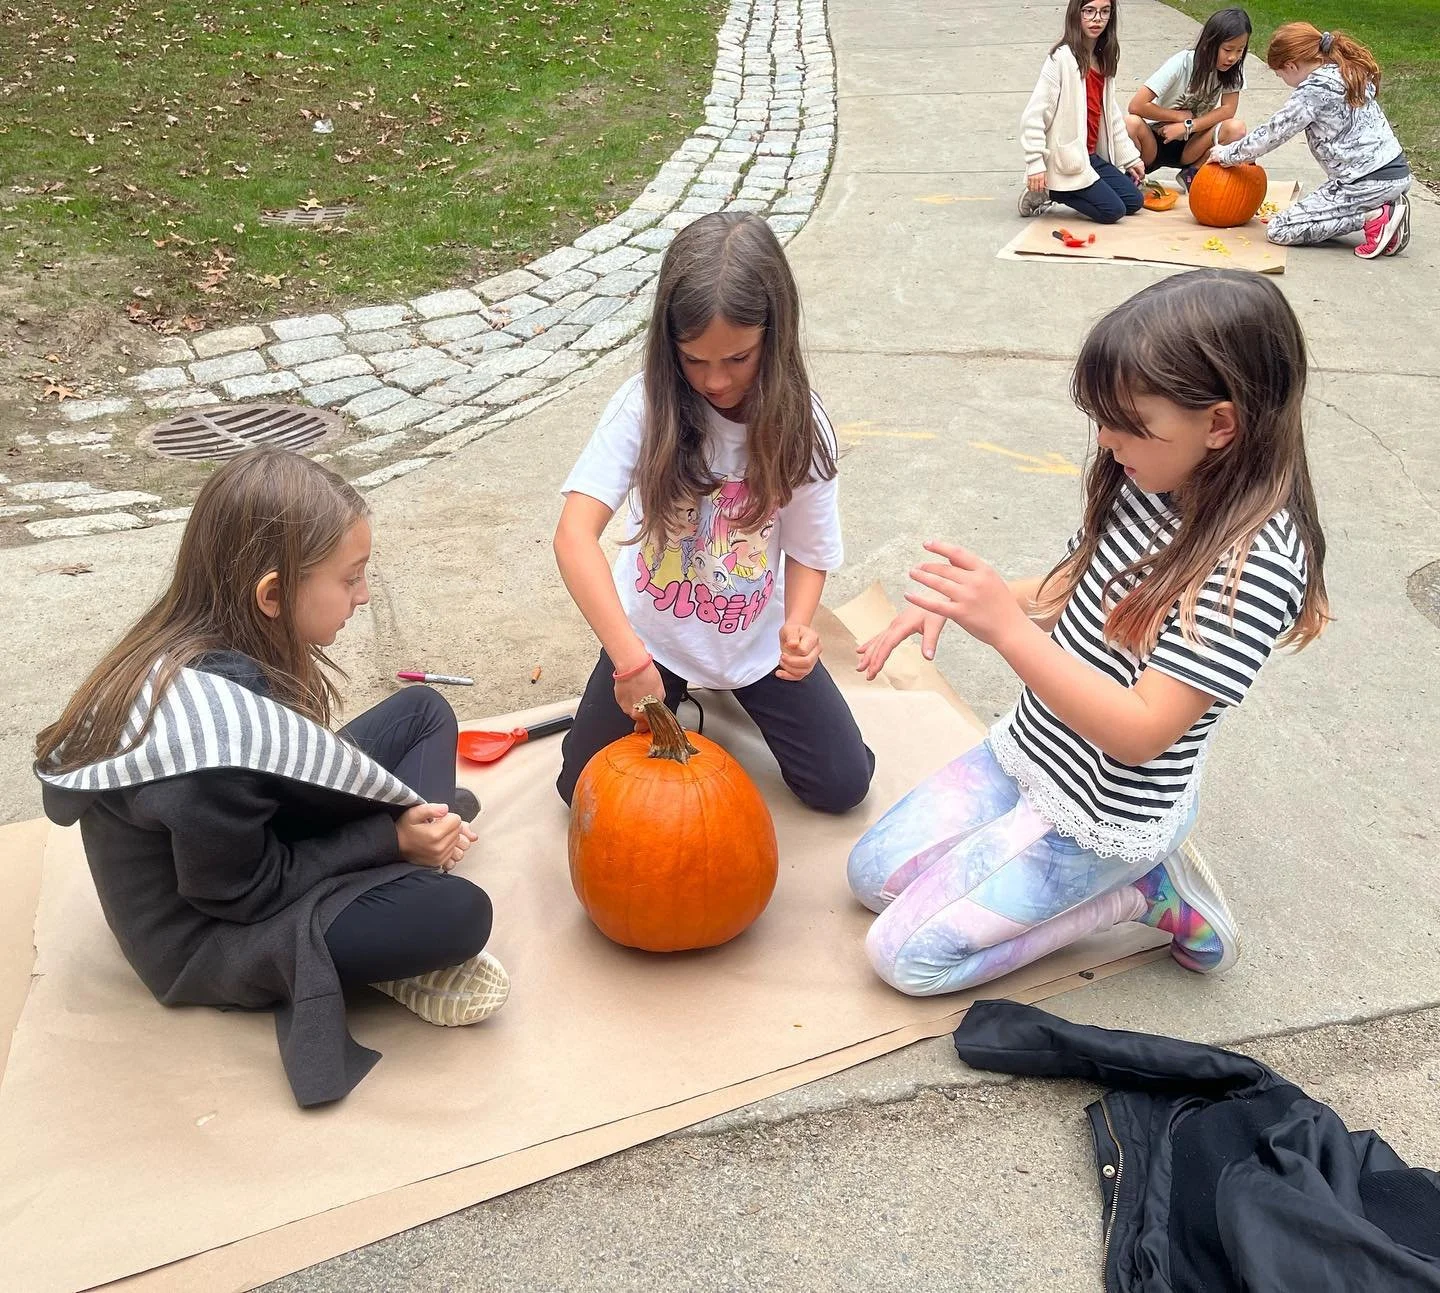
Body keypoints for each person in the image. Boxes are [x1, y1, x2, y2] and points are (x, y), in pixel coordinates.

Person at [848, 270, 1328, 996]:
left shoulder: (1253, 565)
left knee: (904, 957)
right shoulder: (1148, 476)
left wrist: (1008, 633)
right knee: (870, 876)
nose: (1105, 441)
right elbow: (1071, 587)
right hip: (1033, 755)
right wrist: (965, 601)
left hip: (1101, 810)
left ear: (1220, 425)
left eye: (1130, 424)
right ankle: (1013, 863)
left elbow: (1139, 732)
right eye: (1101, 418)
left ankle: (1145, 893)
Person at [34, 448, 506, 1108]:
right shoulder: (210, 739)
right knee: (461, 915)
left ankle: (408, 857)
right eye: (350, 578)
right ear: (273, 593)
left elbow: (275, 781)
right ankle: (397, 902)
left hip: (246, 838)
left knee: (425, 710)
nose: (363, 596)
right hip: (207, 933)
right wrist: (387, 842)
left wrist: (387, 830)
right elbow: (242, 893)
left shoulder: (205, 642)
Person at [553, 211, 874, 812]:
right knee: (582, 791)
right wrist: (629, 659)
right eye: (694, 360)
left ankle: (727, 699)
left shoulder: (803, 428)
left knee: (842, 787)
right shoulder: (643, 406)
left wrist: (800, 626)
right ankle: (683, 695)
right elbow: (574, 536)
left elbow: (808, 548)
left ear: (774, 339)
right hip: (654, 640)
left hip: (753, 642)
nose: (715, 380)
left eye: (737, 359)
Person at [1211, 23, 1412, 258]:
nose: (1283, 80)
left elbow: (1274, 133)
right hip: (1391, 171)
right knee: (1312, 210)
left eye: (1280, 74)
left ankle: (1375, 217)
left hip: (1362, 182)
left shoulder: (1313, 90)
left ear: (1291, 65)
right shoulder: (1345, 70)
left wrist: (1228, 154)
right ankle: (1387, 213)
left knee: (1280, 229)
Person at [1018, 0, 1145, 224]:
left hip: (1089, 157)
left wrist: (1131, 157)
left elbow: (1111, 116)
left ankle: (1066, 190)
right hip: (1066, 159)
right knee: (1112, 211)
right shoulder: (1061, 59)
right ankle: (1051, 191)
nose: (1097, 18)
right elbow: (1034, 115)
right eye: (1089, 11)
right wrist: (1035, 164)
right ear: (1076, 13)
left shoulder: (1102, 58)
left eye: (1104, 11)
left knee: (1133, 201)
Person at [1126, 7, 1251, 191]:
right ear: (1209, 43)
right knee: (1130, 122)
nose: (1232, 57)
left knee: (1236, 128)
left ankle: (1194, 174)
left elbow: (1227, 110)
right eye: (1227, 49)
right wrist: (1177, 118)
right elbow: (1137, 105)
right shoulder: (1182, 63)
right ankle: (1135, 175)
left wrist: (1188, 126)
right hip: (1157, 140)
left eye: (1240, 50)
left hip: (1193, 144)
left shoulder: (1234, 70)